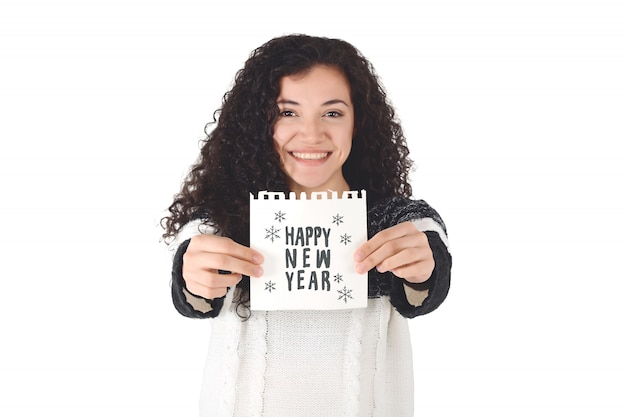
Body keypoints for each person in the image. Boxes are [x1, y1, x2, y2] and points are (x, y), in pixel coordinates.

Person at [162, 34, 452, 417]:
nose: (312, 134)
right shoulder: (219, 221)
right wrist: (194, 279)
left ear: (357, 122)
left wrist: (422, 269)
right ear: (259, 123)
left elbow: (427, 276)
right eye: (287, 112)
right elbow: (194, 290)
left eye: (332, 113)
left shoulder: (397, 221)